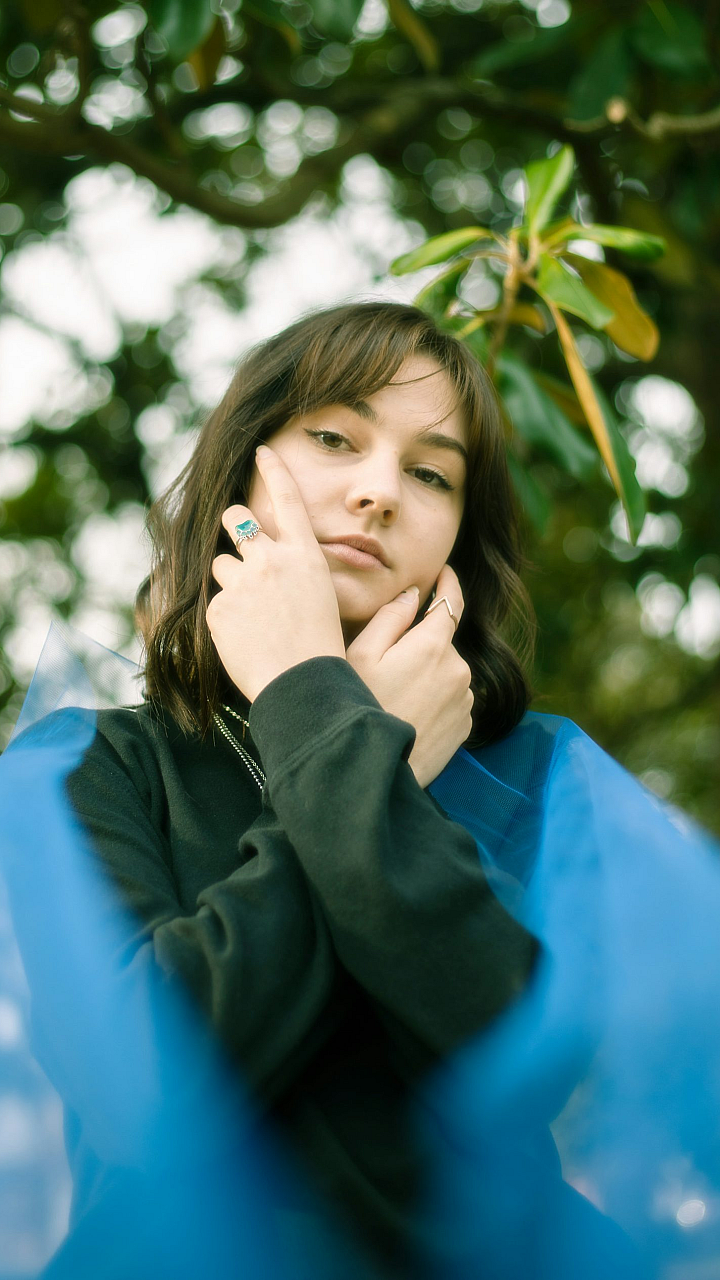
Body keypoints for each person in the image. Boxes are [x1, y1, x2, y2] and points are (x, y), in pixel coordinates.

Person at [54, 300, 544, 1278]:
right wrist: (339, 724)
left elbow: (512, 1053)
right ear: (243, 468)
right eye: (334, 437)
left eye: (431, 473)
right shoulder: (93, 764)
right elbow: (142, 1082)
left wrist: (317, 718)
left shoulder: (516, 781)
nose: (380, 492)